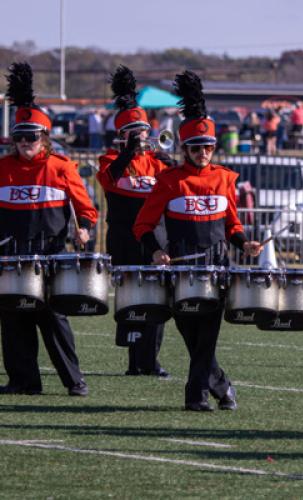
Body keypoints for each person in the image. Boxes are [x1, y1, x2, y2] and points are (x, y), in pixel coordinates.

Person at [133, 70, 262, 411]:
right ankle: (223, 387)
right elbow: (142, 224)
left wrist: (245, 243)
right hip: (180, 270)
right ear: (185, 149)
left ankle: (196, 397)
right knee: (193, 338)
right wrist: (157, 250)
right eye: (196, 147)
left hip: (217, 268)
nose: (203, 152)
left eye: (207, 146)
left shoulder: (224, 179)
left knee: (208, 335)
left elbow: (231, 223)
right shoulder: (170, 181)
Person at [0, 62, 98, 396]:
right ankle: (23, 381)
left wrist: (84, 228)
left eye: (32, 136)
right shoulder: (2, 169)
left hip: (51, 256)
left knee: (53, 320)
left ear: (44, 138)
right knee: (13, 320)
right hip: (10, 255)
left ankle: (74, 381)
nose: (25, 142)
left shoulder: (61, 167)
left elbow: (86, 208)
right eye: (20, 137)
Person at [97, 65, 171, 378]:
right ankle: (133, 361)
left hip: (154, 240)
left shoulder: (156, 162)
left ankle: (151, 361)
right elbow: (110, 180)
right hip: (125, 239)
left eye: (142, 130)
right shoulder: (110, 161)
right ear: (122, 135)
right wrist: (128, 153)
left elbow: (176, 186)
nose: (141, 136)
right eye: (134, 132)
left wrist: (170, 163)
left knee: (156, 299)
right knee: (131, 300)